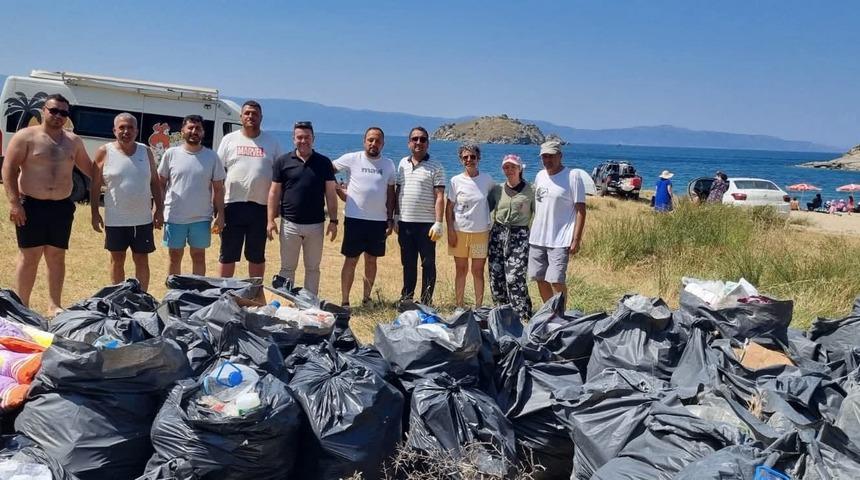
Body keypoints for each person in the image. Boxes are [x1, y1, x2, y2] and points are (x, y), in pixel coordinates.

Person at [2, 94, 93, 314]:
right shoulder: (26, 137)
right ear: (43, 110)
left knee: (56, 256)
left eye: (63, 113)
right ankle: (22, 306)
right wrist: (15, 203)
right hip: (31, 205)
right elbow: (9, 170)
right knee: (29, 256)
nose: (58, 116)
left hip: (61, 207)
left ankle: (54, 305)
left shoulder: (73, 141)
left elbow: (90, 170)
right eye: (54, 111)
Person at [90, 113, 163, 291]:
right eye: (122, 127)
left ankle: (142, 297)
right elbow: (94, 186)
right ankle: (117, 297)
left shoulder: (145, 151)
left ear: (136, 130)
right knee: (117, 259)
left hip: (142, 219)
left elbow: (155, 182)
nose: (126, 131)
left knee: (141, 259)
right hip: (116, 218)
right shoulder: (104, 151)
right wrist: (94, 213)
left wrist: (158, 209)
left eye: (130, 127)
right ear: (114, 130)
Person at [267, 121, 338, 296]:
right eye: (299, 137)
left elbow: (330, 193)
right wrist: (270, 220)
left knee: (313, 268)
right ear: (293, 139)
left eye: (307, 137)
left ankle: (309, 305)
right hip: (289, 224)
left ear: (313, 139)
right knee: (287, 268)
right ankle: (285, 302)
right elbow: (274, 192)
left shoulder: (323, 163)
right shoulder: (282, 161)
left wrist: (334, 220)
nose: (303, 141)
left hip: (316, 225)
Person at [216, 100, 282, 279]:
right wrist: (218, 209)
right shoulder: (229, 140)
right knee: (228, 255)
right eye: (247, 113)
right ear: (241, 117)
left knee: (256, 256)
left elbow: (280, 177)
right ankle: (223, 294)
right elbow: (217, 174)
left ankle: (254, 293)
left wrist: (275, 210)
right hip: (232, 205)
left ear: (261, 117)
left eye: (254, 113)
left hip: (260, 207)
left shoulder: (272, 142)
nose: (250, 116)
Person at [332, 127, 396, 308]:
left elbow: (391, 193)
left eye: (377, 141)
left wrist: (390, 219)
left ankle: (367, 299)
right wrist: (338, 190)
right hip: (355, 219)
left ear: (382, 143)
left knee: (371, 260)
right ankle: (345, 301)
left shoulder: (388, 164)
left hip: (378, 221)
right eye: (370, 140)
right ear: (364, 141)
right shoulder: (352, 159)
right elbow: (328, 169)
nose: (373, 144)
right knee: (351, 260)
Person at [158, 114, 226, 276]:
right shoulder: (171, 154)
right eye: (190, 128)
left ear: (203, 132)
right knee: (174, 256)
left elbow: (218, 189)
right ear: (182, 131)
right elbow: (160, 184)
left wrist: (221, 214)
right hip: (174, 216)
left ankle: (197, 294)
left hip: (201, 218)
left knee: (198, 256)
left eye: (198, 128)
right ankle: (174, 293)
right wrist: (157, 209)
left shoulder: (211, 157)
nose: (194, 131)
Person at [528, 140, 586, 306]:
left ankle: (560, 314)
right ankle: (549, 312)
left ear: (560, 156)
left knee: (556, 280)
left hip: (560, 239)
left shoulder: (572, 176)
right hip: (537, 238)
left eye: (551, 156)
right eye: (544, 157)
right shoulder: (540, 176)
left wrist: (576, 239)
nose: (547, 160)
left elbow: (581, 210)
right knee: (539, 278)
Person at [394, 127, 446, 307]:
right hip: (405, 223)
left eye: (422, 139)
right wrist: (395, 216)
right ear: (409, 142)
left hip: (427, 225)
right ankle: (407, 298)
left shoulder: (436, 166)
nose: (418, 142)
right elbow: (398, 190)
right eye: (415, 139)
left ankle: (426, 301)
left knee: (428, 264)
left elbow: (439, 196)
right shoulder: (402, 164)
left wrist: (439, 222)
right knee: (408, 263)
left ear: (427, 143)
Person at [446, 144, 494, 309]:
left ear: (478, 159)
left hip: (481, 232)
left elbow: (494, 200)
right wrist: (450, 230)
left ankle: (479, 307)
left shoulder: (487, 180)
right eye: (465, 157)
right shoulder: (455, 181)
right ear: (461, 160)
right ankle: (459, 306)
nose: (469, 160)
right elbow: (449, 207)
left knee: (478, 271)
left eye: (472, 157)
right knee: (461, 269)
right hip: (460, 232)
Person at [488, 154, 535, 319]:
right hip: (497, 235)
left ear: (520, 168)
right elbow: (484, 210)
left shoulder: (530, 190)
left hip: (519, 236)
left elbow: (538, 213)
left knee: (515, 277)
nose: (509, 170)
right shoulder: (497, 190)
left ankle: (522, 314)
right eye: (506, 167)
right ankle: (502, 313)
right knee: (496, 275)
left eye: (513, 167)